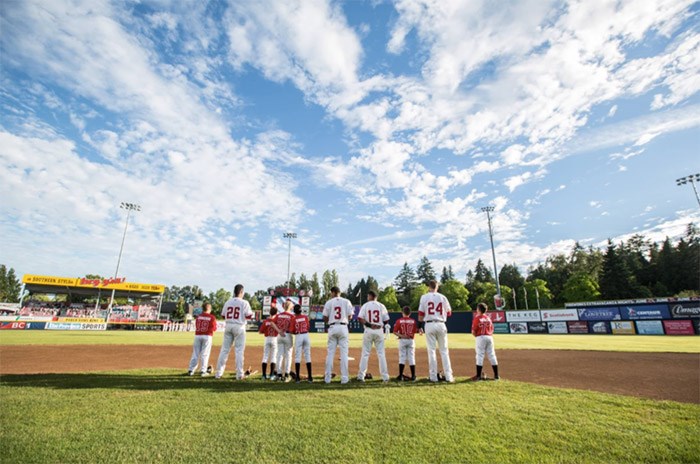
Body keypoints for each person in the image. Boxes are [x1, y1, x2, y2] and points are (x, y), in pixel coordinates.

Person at [215, 284, 254, 380]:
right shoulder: (244, 302)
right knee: (239, 351)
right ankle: (239, 374)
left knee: (224, 350)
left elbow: (223, 315)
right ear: (241, 292)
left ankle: (218, 373)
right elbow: (249, 316)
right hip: (239, 326)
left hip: (228, 326)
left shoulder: (228, 302)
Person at [418, 280, 454, 382]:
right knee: (444, 351)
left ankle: (433, 377)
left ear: (429, 287)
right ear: (437, 287)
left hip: (429, 324)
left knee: (431, 351)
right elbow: (449, 313)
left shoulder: (424, 297)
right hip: (441, 323)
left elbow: (421, 313)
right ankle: (449, 377)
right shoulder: (442, 297)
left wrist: (419, 326)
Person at [322, 286, 354, 384]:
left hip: (332, 327)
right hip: (343, 326)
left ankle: (327, 378)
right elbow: (350, 316)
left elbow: (324, 317)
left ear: (333, 292)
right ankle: (344, 378)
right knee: (344, 354)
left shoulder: (329, 302)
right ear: (339, 292)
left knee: (330, 353)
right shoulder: (346, 301)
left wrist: (331, 322)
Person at [357, 290, 390, 382]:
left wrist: (369, 324)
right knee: (381, 354)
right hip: (379, 330)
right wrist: (378, 324)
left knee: (365, 354)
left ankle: (361, 376)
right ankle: (385, 377)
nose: (367, 298)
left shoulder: (366, 305)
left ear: (370, 296)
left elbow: (360, 318)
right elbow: (386, 320)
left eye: (368, 296)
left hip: (368, 330)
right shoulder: (381, 305)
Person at [187, 302, 217, 377]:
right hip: (207, 336)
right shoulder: (212, 317)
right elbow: (214, 328)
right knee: (205, 354)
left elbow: (196, 325)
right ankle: (203, 371)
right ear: (209, 309)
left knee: (195, 353)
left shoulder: (198, 316)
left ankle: (191, 370)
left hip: (198, 335)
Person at [471, 302, 499, 381]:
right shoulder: (488, 318)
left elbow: (473, 331)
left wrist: (477, 337)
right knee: (492, 355)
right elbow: (492, 329)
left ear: (479, 309)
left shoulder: (477, 318)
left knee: (480, 356)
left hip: (481, 337)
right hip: (489, 337)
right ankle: (496, 375)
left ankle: (479, 376)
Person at [393, 305, 420, 381]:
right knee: (411, 357)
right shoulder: (413, 321)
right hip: (411, 340)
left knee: (402, 357)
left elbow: (394, 332)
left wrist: (401, 335)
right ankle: (413, 376)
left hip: (402, 340)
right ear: (410, 313)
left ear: (402, 312)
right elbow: (415, 331)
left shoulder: (399, 321)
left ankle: (401, 375)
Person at [273, 300, 295, 382]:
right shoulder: (292, 316)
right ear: (290, 307)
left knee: (279, 355)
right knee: (288, 356)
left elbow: (272, 323)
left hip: (279, 335)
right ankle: (286, 374)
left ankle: (278, 374)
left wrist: (278, 331)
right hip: (287, 335)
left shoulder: (279, 315)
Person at [290, 304, 312, 382]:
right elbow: (308, 327)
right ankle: (310, 377)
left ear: (294, 311)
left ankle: (298, 378)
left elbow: (291, 330)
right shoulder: (305, 317)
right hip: (306, 335)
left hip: (299, 335)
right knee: (308, 355)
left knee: (297, 356)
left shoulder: (294, 318)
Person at [258, 307, 279, 380]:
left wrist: (265, 330)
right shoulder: (277, 321)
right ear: (276, 313)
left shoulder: (266, 321)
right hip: (274, 339)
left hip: (267, 339)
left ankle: (263, 375)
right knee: (273, 356)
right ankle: (271, 375)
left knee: (265, 356)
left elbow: (260, 331)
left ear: (270, 312)